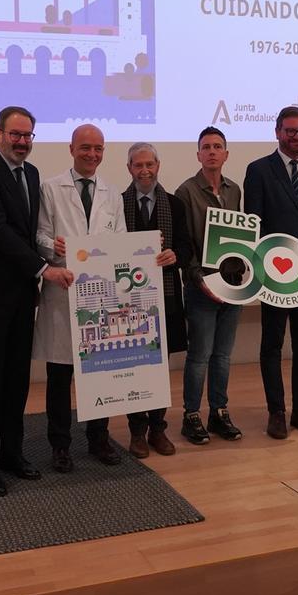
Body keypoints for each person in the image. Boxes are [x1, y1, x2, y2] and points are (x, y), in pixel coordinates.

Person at [0, 106, 68, 490]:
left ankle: (12, 453)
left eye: (28, 136)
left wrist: (51, 256)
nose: (23, 142)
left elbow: (30, 233)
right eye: (16, 135)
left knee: (17, 381)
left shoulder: (33, 174)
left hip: (25, 295)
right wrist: (44, 268)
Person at [35, 124, 126, 472]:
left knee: (98, 372)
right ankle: (60, 444)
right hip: (63, 287)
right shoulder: (50, 188)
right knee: (60, 376)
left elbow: (120, 238)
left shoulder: (112, 193)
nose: (92, 154)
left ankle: (98, 438)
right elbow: (40, 233)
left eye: (98, 149)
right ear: (71, 148)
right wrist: (51, 245)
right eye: (85, 147)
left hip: (100, 295)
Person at [243, 106, 298, 439]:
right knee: (272, 344)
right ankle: (276, 412)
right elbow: (253, 222)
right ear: (277, 132)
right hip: (274, 275)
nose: (297, 137)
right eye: (291, 131)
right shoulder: (258, 170)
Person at [121, 142, 191, 458]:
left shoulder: (175, 205)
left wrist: (175, 255)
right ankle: (136, 431)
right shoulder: (117, 204)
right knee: (135, 366)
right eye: (138, 165)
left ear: (158, 166)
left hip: (164, 296)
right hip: (127, 299)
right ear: (129, 169)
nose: (145, 171)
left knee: (159, 367)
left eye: (150, 164)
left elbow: (187, 248)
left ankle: (158, 429)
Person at [174, 127, 244, 445]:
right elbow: (184, 242)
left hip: (232, 285)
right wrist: (197, 279)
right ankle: (191, 415)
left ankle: (219, 412)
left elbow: (240, 238)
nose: (212, 151)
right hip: (201, 286)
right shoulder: (185, 192)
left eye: (218, 146)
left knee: (223, 355)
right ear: (198, 154)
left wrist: (245, 270)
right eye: (206, 147)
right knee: (200, 354)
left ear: (226, 154)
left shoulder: (235, 190)